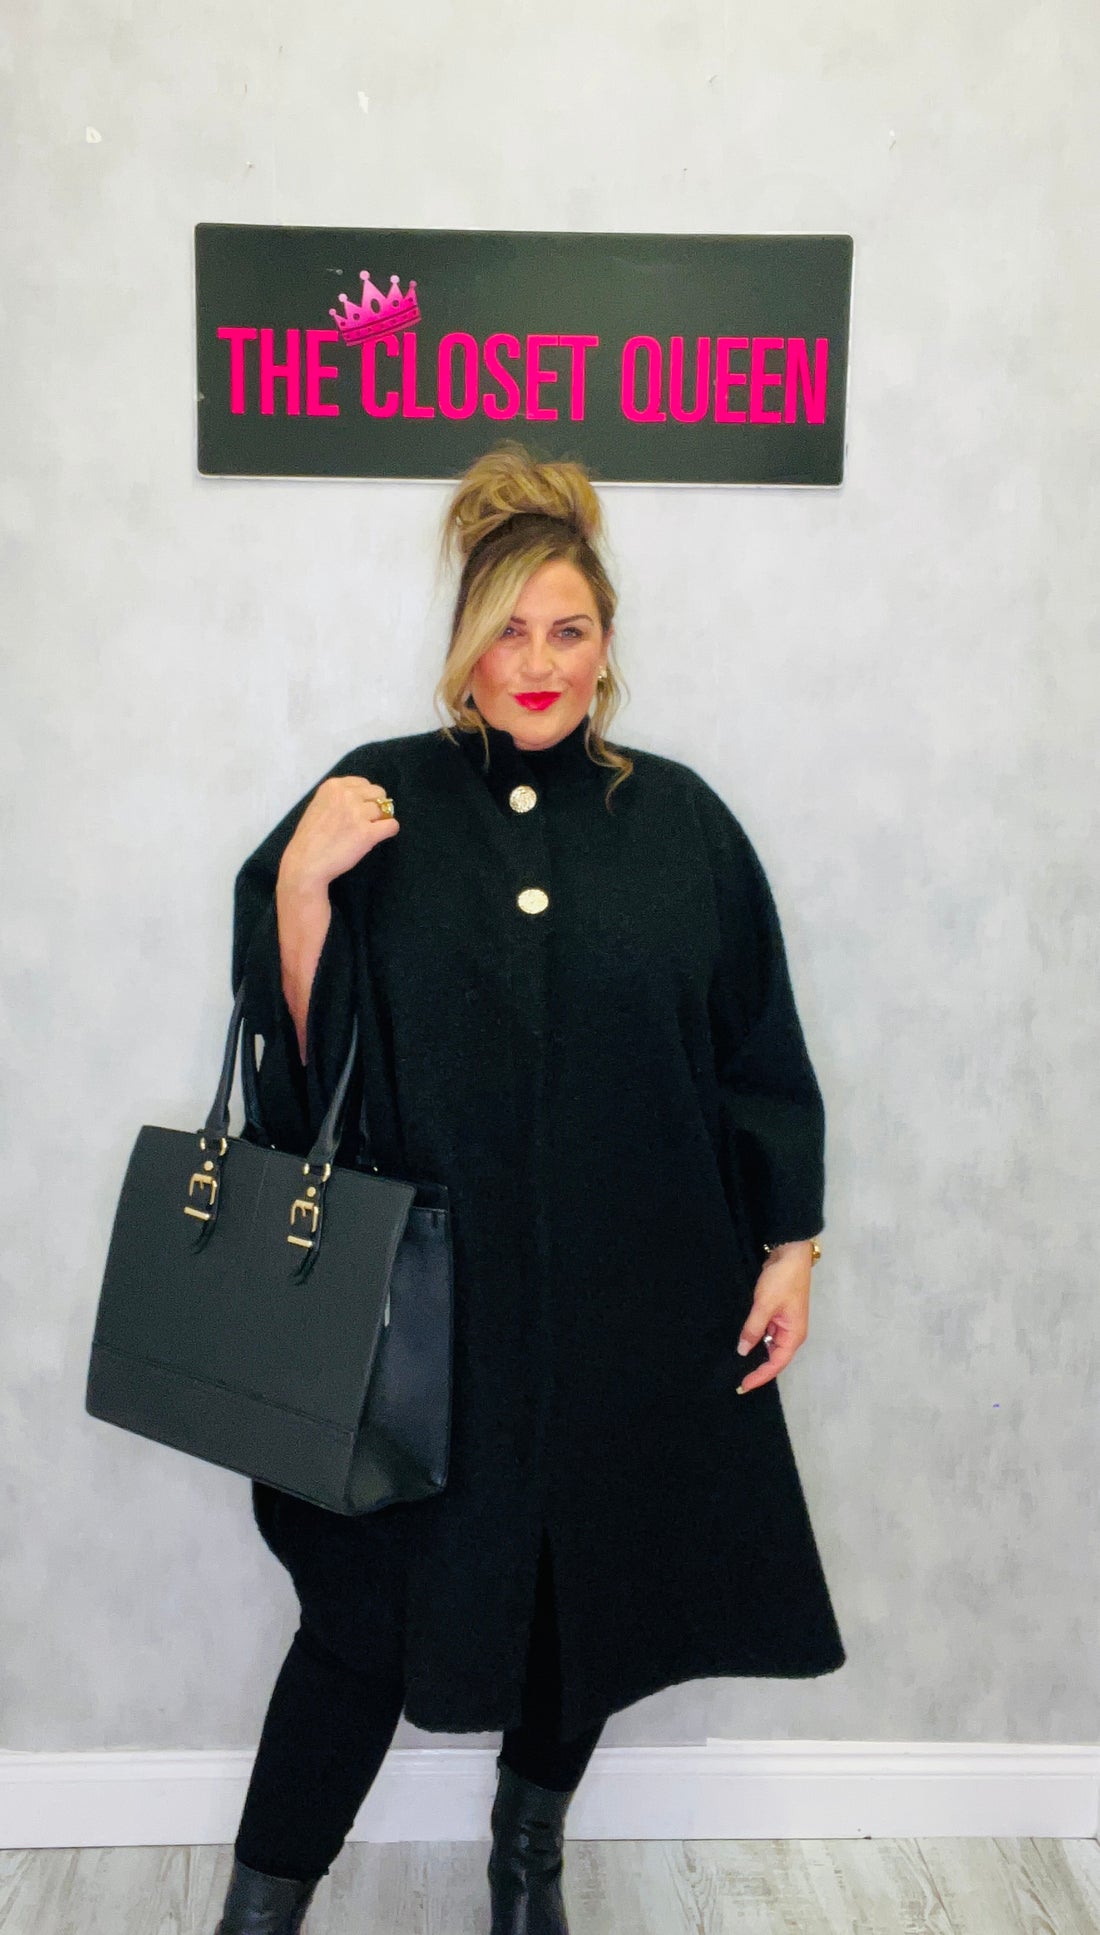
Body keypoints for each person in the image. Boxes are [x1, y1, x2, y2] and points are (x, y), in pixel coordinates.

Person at [215, 438, 846, 1934]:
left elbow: (755, 1046)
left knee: (588, 1589)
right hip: (414, 1326)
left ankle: (525, 1862)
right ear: (465, 643)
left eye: (569, 629)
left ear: (607, 643)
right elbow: (299, 1077)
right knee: (361, 1624)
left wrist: (791, 1242)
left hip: (636, 1297)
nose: (540, 662)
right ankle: (256, 1915)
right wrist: (301, 888)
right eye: (509, 629)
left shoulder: (679, 823)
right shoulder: (377, 797)